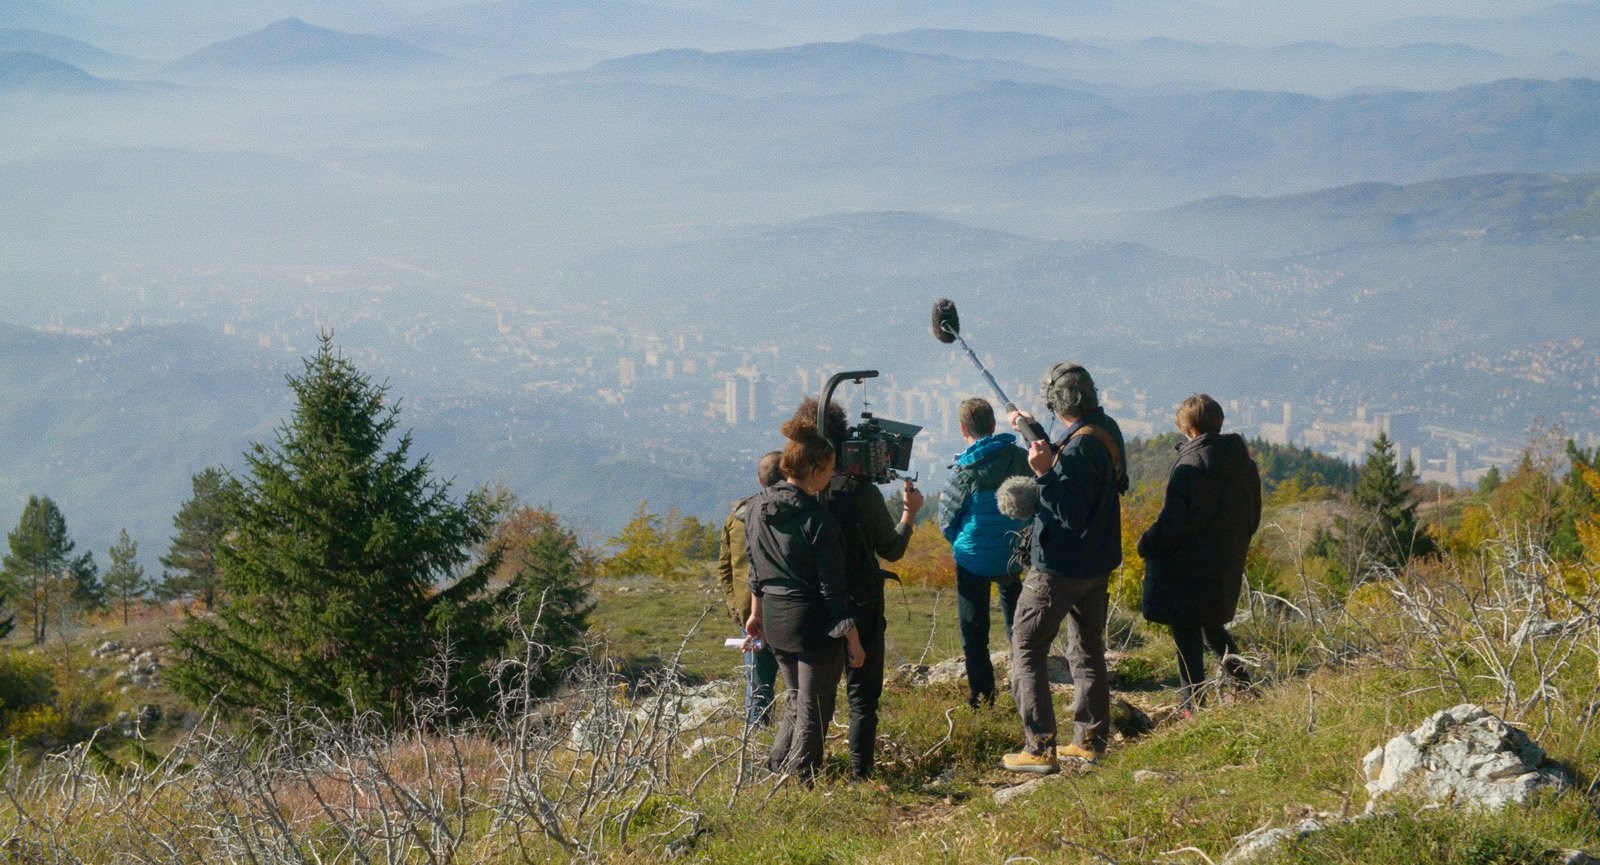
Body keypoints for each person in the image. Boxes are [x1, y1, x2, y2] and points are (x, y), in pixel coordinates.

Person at [1002, 363, 1127, 774]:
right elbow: (1095, 484)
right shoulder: (1103, 430)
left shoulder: (1077, 448)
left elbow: (1071, 510)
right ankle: (1089, 741)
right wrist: (1034, 431)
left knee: (1026, 645)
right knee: (1087, 649)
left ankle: (1038, 748)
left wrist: (1042, 473)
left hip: (1059, 567)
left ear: (1057, 402)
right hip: (1097, 562)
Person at [801, 397, 923, 781]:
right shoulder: (861, 493)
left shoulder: (796, 491)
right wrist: (909, 513)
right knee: (862, 698)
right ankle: (860, 775)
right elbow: (892, 548)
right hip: (861, 603)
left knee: (809, 699)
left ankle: (804, 773)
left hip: (810, 604)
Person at [744, 415, 866, 780]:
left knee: (796, 699)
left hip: (775, 619)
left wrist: (756, 614)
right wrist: (854, 640)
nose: (832, 474)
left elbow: (755, 568)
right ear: (813, 469)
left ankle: (774, 769)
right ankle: (802, 780)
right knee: (815, 708)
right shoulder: (818, 521)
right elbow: (834, 590)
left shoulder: (755, 508)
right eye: (828, 468)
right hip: (812, 624)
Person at [1137, 394, 1262, 715]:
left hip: (1186, 570)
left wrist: (1146, 544)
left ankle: (1192, 706)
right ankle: (1244, 687)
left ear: (1189, 429)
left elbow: (1172, 524)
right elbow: (1253, 517)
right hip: (1225, 565)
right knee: (1213, 627)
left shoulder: (1189, 468)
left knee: (1187, 635)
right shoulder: (1244, 465)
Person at [939, 397, 1030, 709]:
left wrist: (961, 544)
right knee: (1018, 628)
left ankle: (983, 697)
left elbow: (946, 520)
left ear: (964, 429)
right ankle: (1026, 690)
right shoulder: (1020, 457)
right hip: (1011, 554)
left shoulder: (965, 469)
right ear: (993, 425)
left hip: (973, 561)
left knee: (974, 633)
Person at [718, 450, 784, 726]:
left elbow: (724, 568)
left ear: (760, 480)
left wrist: (736, 607)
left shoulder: (736, 518)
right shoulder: (788, 514)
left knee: (757, 686)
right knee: (799, 685)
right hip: (785, 609)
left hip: (748, 613)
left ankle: (756, 742)